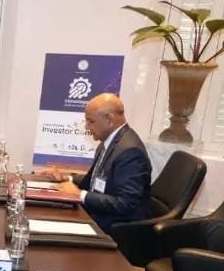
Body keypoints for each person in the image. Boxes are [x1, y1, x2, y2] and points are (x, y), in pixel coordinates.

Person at [41, 93, 151, 232]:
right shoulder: (108, 142)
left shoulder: (130, 152)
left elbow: (125, 203)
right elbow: (95, 181)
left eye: (91, 122)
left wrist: (79, 194)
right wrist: (66, 178)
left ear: (109, 119)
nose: (87, 127)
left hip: (115, 227)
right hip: (98, 214)